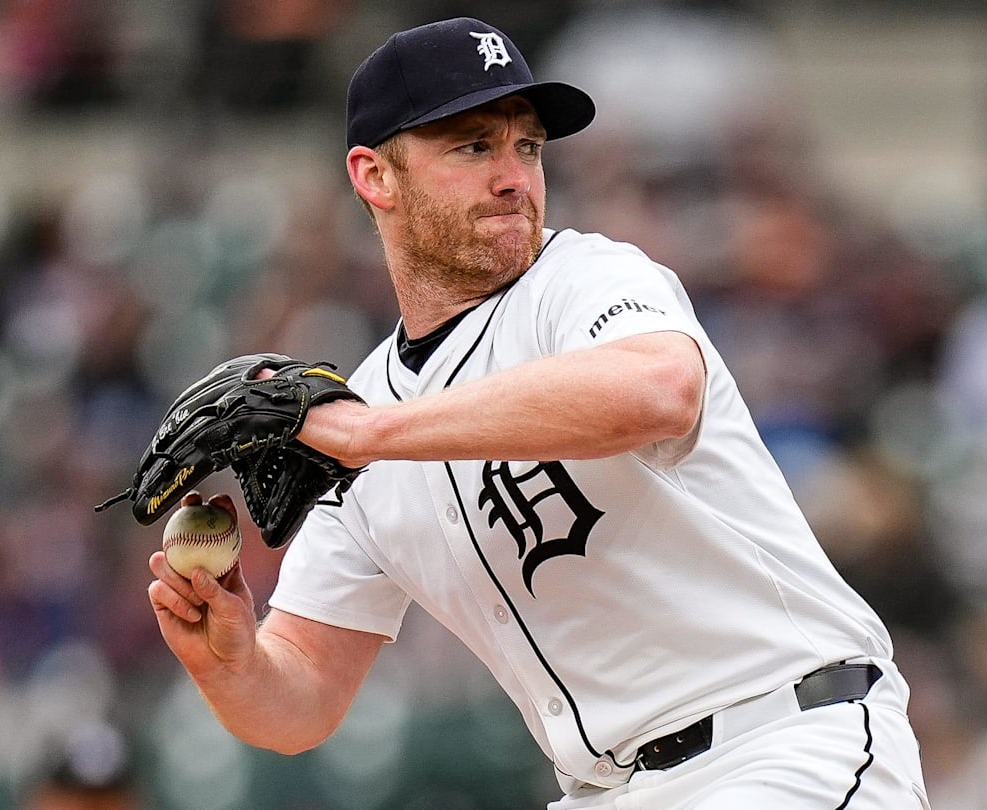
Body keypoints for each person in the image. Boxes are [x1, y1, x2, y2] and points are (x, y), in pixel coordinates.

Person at [147, 17, 931, 809]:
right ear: (374, 177)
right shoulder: (366, 413)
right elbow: (301, 701)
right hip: (607, 790)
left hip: (780, 746)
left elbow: (661, 392)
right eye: (473, 147)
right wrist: (232, 659)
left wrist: (370, 434)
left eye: (528, 146)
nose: (514, 174)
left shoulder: (584, 280)